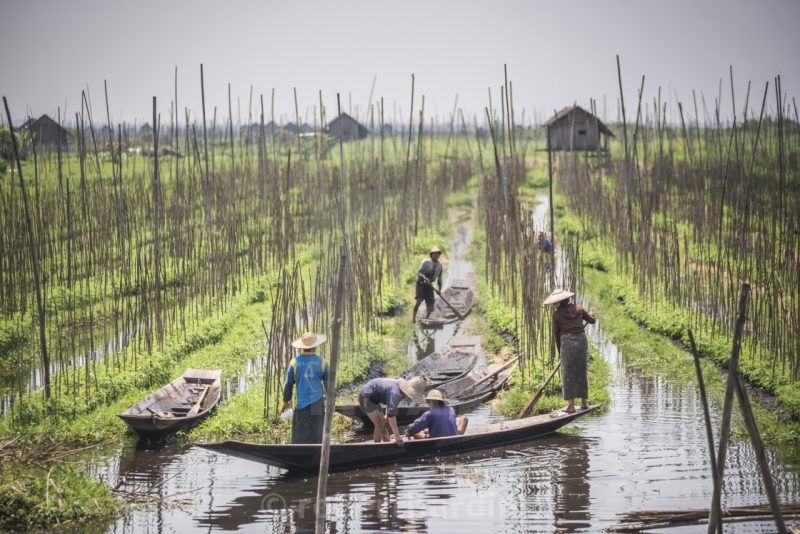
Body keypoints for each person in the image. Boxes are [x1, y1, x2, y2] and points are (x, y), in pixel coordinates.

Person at [544, 289, 596, 413]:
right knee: (581, 370)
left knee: (568, 374)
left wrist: (560, 351)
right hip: (581, 341)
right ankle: (584, 403)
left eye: (554, 303)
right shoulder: (579, 309)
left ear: (559, 303)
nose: (553, 305)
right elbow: (592, 321)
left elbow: (557, 335)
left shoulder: (556, 315)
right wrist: (592, 314)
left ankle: (571, 406)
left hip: (566, 343)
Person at [281, 332, 329, 444]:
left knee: (300, 432)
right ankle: (317, 453)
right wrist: (331, 401)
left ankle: (300, 452)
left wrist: (285, 401)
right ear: (315, 346)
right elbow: (329, 386)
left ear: (302, 347)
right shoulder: (322, 362)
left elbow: (288, 383)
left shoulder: (294, 363)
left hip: (302, 402)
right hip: (317, 403)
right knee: (317, 430)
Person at [358, 376, 426, 445]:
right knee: (379, 425)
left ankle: (387, 444)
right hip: (366, 396)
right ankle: (376, 447)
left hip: (375, 398)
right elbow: (392, 415)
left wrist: (387, 414)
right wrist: (397, 436)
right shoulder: (396, 393)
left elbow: (390, 402)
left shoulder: (400, 391)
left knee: (384, 424)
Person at [412, 246, 443, 322]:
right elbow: (419, 273)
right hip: (421, 284)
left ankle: (426, 319)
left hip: (430, 286)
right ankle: (413, 319)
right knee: (419, 301)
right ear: (431, 254)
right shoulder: (426, 262)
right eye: (435, 254)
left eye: (438, 254)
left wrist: (439, 289)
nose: (436, 255)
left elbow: (439, 279)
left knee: (431, 304)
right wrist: (424, 278)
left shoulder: (440, 266)